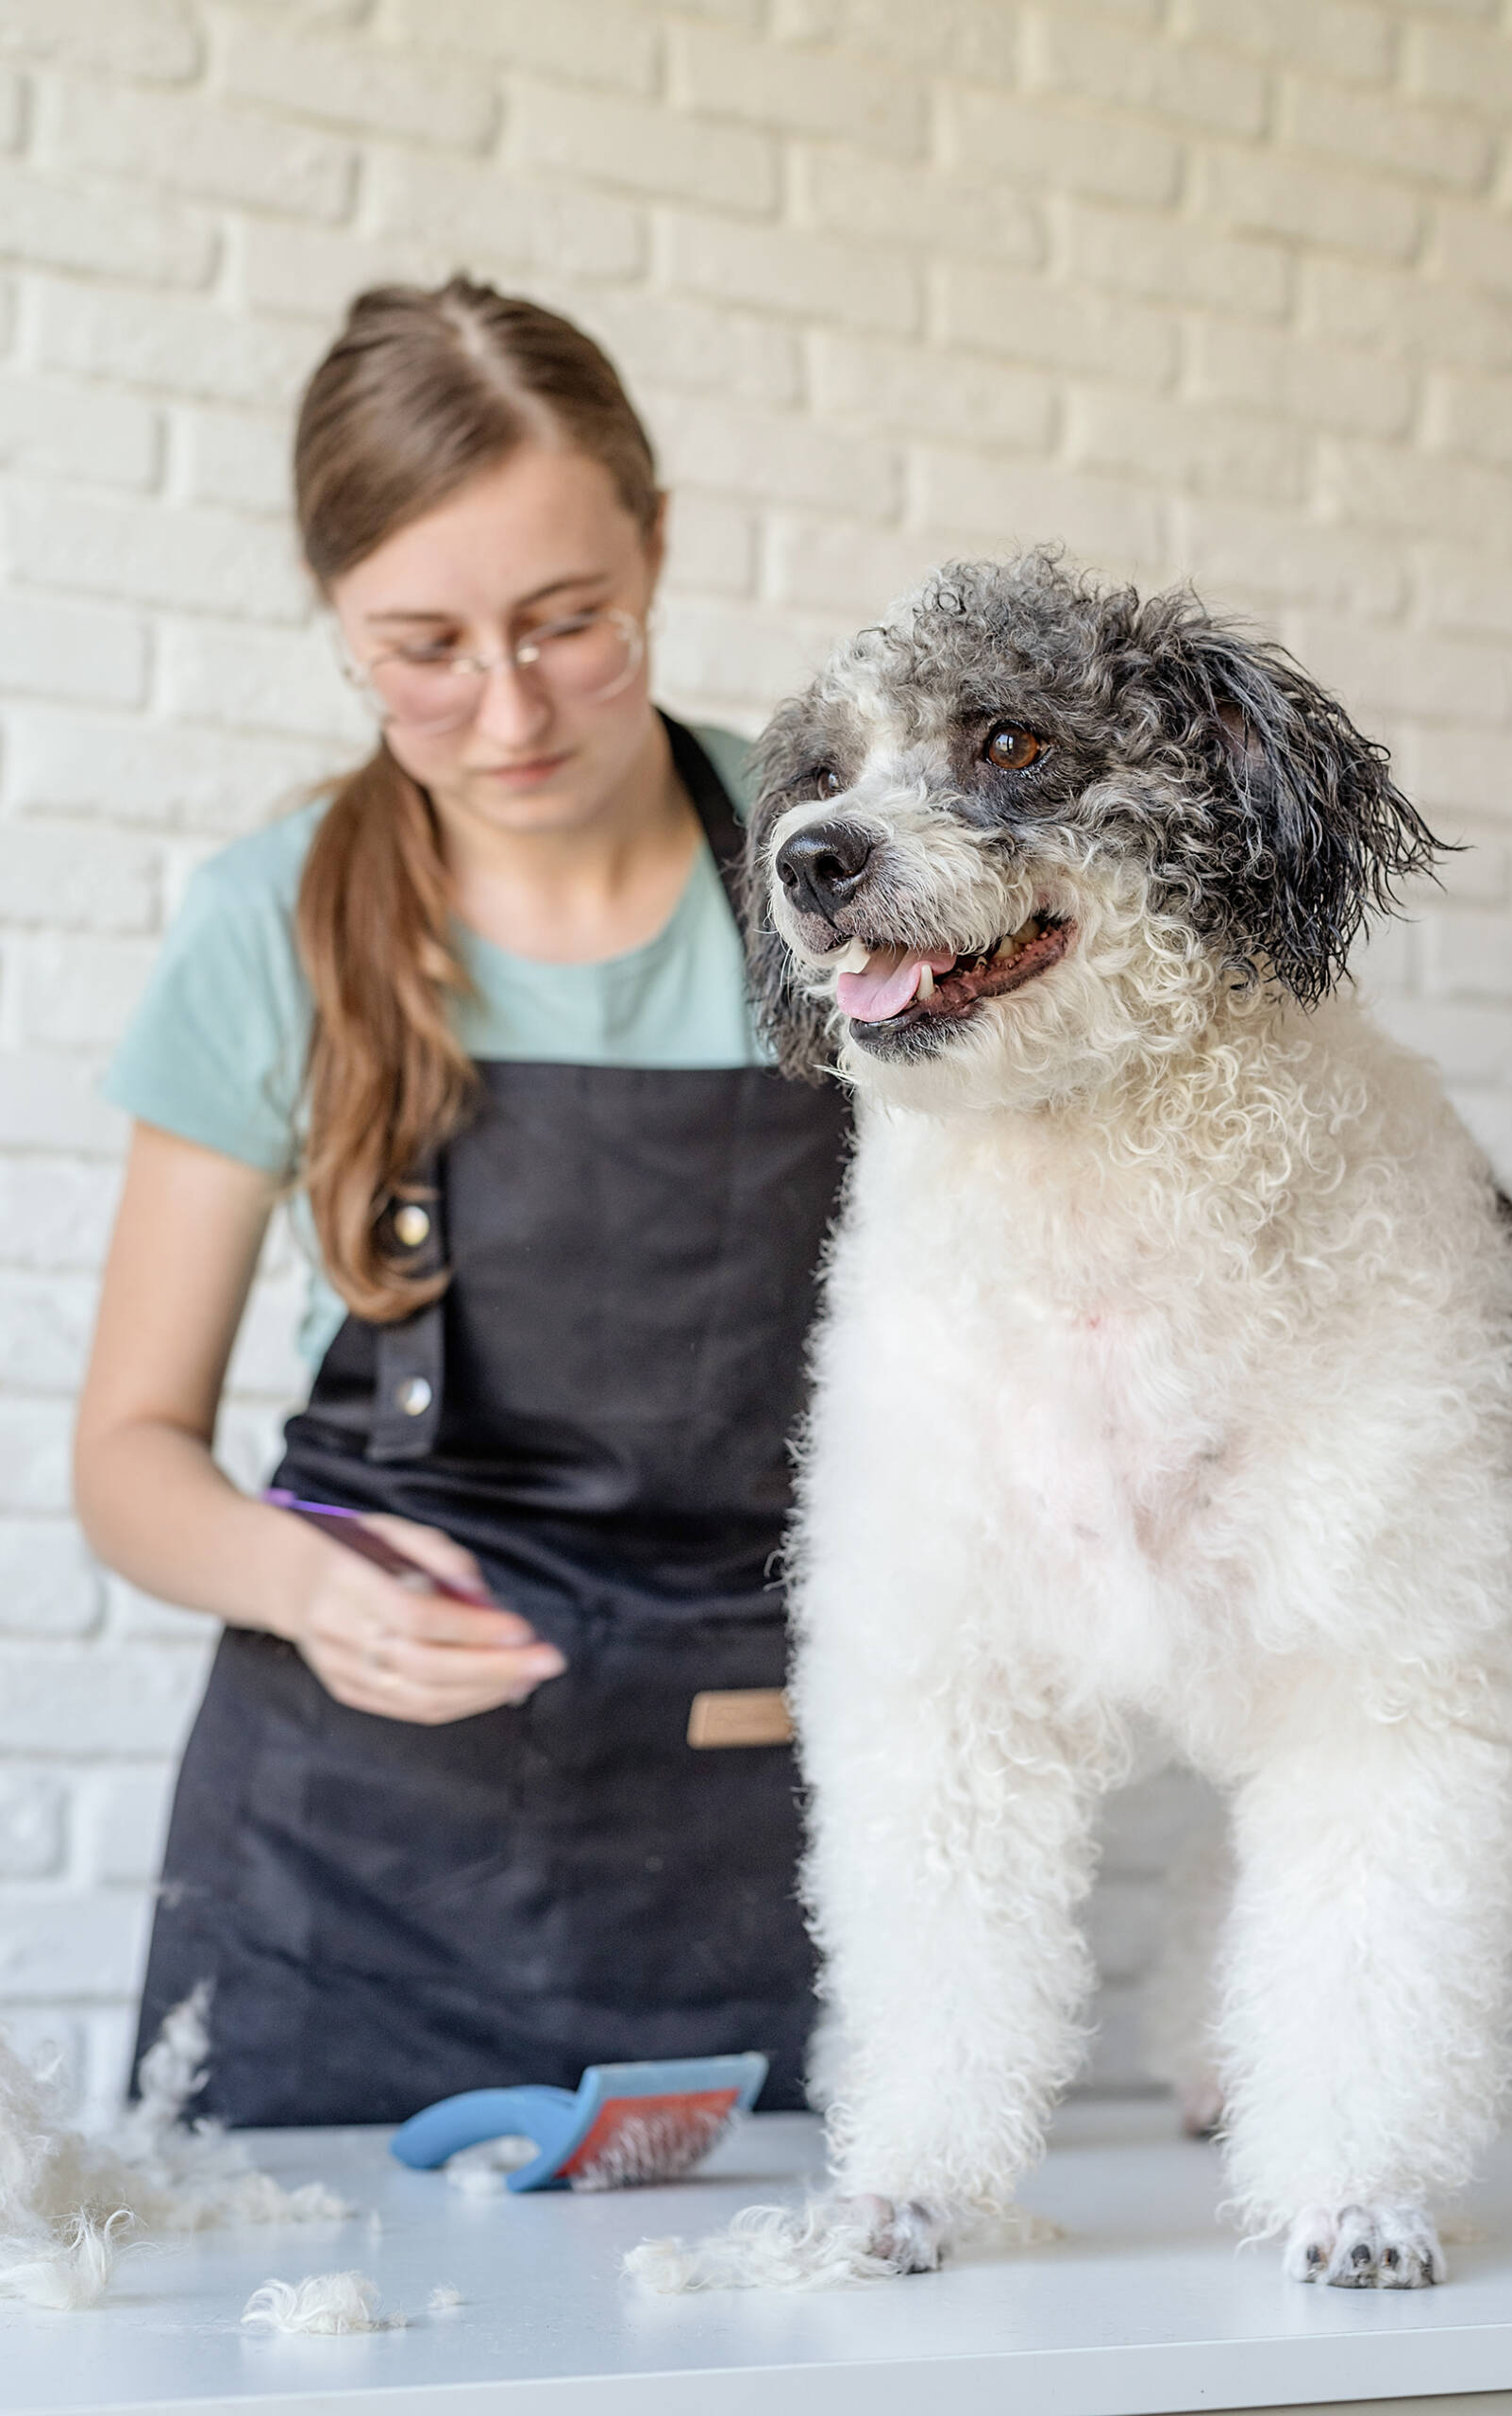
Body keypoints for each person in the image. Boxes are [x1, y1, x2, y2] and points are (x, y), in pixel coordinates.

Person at [73, 277, 848, 2127]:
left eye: (569, 622)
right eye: (421, 645)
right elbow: (129, 1452)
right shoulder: (272, 923)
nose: (506, 709)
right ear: (338, 622)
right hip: (342, 1879)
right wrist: (303, 1579)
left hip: (765, 1843)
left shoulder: (841, 875)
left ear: (656, 545)